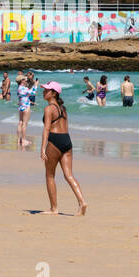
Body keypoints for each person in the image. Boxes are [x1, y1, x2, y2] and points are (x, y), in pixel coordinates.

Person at [40, 82, 86, 215]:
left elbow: (47, 129)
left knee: (49, 175)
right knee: (69, 175)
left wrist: (43, 148)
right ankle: (82, 201)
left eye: (46, 90)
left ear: (54, 93)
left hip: (54, 141)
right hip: (67, 140)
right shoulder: (63, 108)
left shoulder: (49, 109)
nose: (43, 92)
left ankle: (54, 208)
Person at [16, 74, 34, 149]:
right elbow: (32, 93)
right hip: (26, 106)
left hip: (21, 106)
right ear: (22, 81)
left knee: (20, 122)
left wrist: (31, 81)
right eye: (24, 79)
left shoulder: (19, 88)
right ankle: (23, 140)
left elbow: (25, 94)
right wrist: (35, 85)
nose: (26, 80)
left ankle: (18, 140)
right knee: (24, 124)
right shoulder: (23, 88)